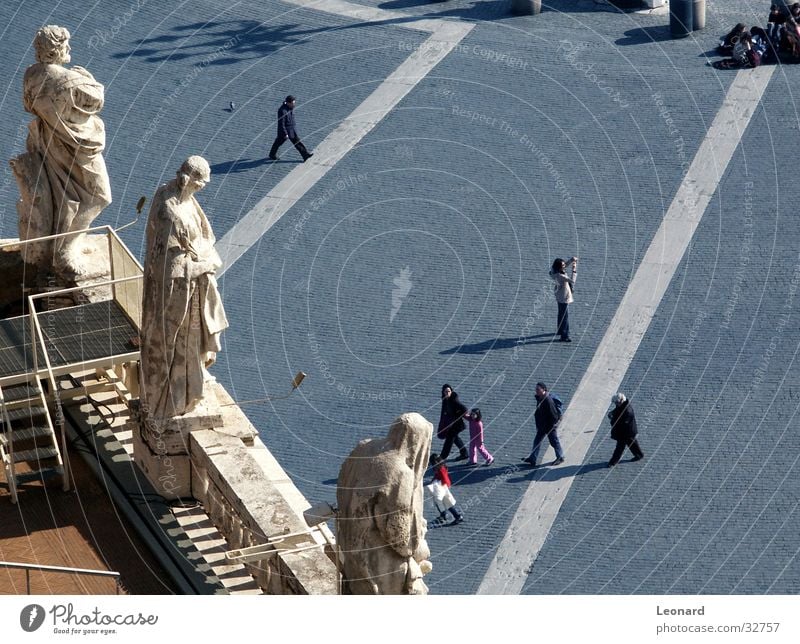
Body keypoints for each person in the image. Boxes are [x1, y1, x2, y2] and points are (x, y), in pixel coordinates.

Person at [10, 25, 112, 275]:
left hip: (48, 141)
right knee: (99, 197)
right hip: (74, 149)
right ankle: (66, 250)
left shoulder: (31, 74)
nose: (70, 49)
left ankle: (68, 243)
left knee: (61, 197)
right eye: (67, 45)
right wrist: (86, 77)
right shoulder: (69, 81)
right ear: (57, 50)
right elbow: (95, 101)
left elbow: (28, 104)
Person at [140, 155, 229, 420]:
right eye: (201, 182)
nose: (203, 187)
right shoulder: (170, 212)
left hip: (190, 286)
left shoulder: (177, 195)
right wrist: (204, 266)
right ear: (190, 180)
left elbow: (203, 235)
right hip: (176, 298)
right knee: (181, 345)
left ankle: (188, 390)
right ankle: (176, 400)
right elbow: (169, 270)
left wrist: (202, 254)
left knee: (190, 347)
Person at [337, 413, 433, 594]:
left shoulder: (364, 448)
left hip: (351, 549)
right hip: (379, 567)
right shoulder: (400, 473)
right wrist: (419, 538)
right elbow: (400, 540)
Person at [522, 382, 565, 466]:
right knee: (537, 441)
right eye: (536, 389)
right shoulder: (540, 397)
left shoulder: (548, 401)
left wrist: (552, 426)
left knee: (554, 442)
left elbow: (554, 415)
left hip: (549, 426)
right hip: (542, 425)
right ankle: (533, 458)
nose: (536, 391)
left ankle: (560, 457)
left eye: (538, 389)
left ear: (544, 389)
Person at [268, 95, 313, 162]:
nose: (294, 105)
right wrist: (285, 134)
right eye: (292, 103)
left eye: (294, 103)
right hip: (284, 131)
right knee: (278, 142)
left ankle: (305, 155)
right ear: (288, 103)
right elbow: (281, 124)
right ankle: (272, 154)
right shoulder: (282, 111)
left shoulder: (289, 108)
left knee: (297, 142)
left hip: (291, 130)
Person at [607, 392, 644, 467]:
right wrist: (612, 413)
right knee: (632, 443)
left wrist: (613, 419)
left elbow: (621, 423)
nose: (616, 404)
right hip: (628, 431)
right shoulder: (623, 405)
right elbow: (617, 410)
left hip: (625, 432)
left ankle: (613, 462)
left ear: (621, 400)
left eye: (617, 403)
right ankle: (639, 455)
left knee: (620, 447)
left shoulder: (627, 411)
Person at [427, 455, 464, 525]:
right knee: (441, 502)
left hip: (442, 488)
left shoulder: (441, 469)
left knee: (447, 504)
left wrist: (442, 485)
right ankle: (443, 515)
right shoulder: (441, 467)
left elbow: (445, 479)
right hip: (441, 488)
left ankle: (457, 516)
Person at [436, 384, 469, 462]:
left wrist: (456, 417)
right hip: (450, 424)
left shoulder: (454, 400)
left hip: (457, 425)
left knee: (449, 440)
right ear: (443, 392)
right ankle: (464, 453)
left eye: (449, 391)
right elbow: (443, 411)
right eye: (446, 391)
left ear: (451, 391)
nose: (447, 393)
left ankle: (442, 457)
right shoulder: (445, 399)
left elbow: (464, 409)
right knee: (455, 439)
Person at [550, 257, 577, 342]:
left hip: (559, 295)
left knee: (561, 313)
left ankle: (560, 330)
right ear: (559, 267)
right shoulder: (560, 276)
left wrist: (571, 260)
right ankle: (564, 335)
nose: (564, 265)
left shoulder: (554, 272)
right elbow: (572, 280)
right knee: (565, 316)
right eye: (562, 265)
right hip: (564, 296)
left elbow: (564, 266)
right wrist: (574, 270)